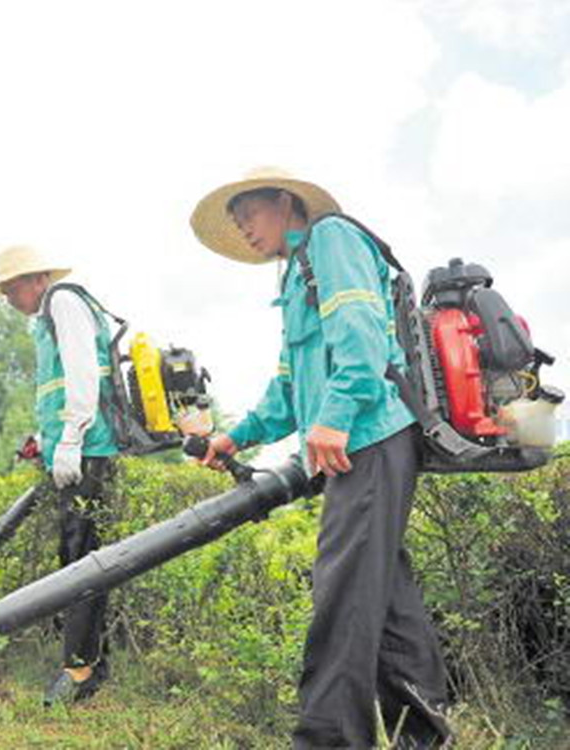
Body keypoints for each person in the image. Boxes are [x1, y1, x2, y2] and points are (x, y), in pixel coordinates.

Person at [190, 168, 451, 748]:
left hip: (370, 436)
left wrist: (335, 417)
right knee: (383, 599)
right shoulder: (296, 274)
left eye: (248, 214)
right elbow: (291, 385)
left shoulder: (332, 239)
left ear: (284, 202)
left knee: (343, 598)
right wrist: (238, 436)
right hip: (359, 441)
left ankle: (328, 740)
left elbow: (359, 332)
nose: (243, 229)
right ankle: (425, 737)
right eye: (236, 222)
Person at [0, 245, 119, 706]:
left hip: (89, 450)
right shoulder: (45, 317)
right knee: (79, 553)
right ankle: (91, 661)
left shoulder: (63, 301)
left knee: (82, 558)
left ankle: (81, 671)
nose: (7, 297)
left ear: (37, 278)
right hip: (72, 450)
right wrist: (47, 438)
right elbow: (56, 387)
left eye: (12, 286)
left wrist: (74, 436)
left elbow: (82, 373)